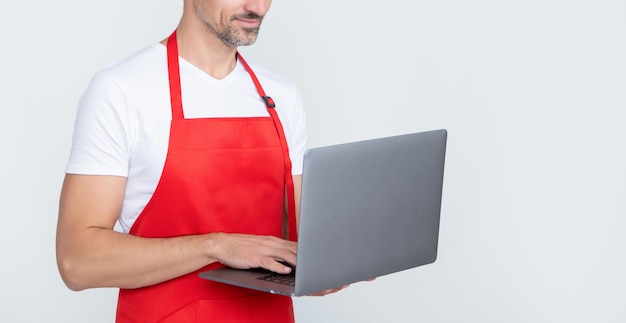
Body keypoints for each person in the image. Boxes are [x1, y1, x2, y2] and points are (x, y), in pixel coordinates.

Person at [56, 0, 345, 321]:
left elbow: (301, 238)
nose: (258, 7)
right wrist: (215, 246)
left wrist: (329, 263)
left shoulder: (282, 96)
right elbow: (77, 263)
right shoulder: (121, 91)